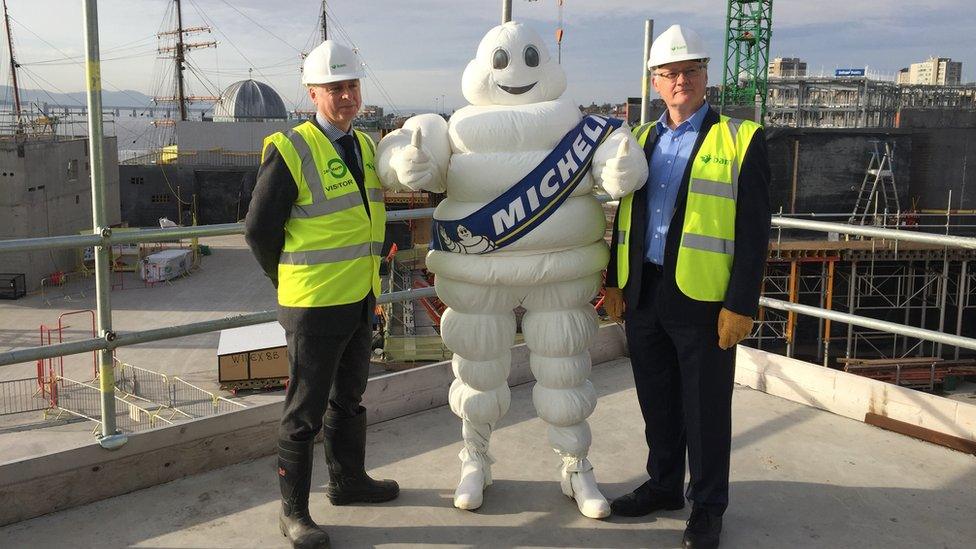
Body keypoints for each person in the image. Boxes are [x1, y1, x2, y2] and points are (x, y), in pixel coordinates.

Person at [604, 24, 771, 549]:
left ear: (706, 77)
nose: (682, 81)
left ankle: (707, 506)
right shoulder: (641, 140)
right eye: (671, 73)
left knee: (705, 408)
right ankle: (663, 486)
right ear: (655, 81)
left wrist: (741, 303)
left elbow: (754, 230)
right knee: (657, 401)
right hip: (646, 291)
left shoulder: (740, 139)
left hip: (703, 300)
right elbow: (624, 217)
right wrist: (614, 281)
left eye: (691, 71)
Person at [244, 40, 398, 549]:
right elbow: (259, 230)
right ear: (313, 92)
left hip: (359, 298)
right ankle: (293, 515)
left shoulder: (368, 145)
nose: (346, 96)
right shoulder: (290, 148)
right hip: (313, 304)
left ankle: (348, 482)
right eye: (335, 89)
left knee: (349, 398)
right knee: (303, 412)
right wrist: (285, 281)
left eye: (352, 86)